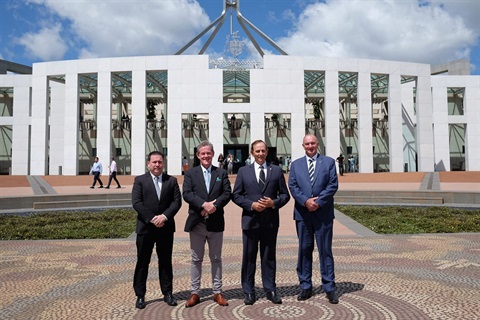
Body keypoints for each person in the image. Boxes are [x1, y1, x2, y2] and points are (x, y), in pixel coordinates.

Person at [232, 140, 290, 305]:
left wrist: (274, 203)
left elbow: (285, 195)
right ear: (252, 152)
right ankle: (248, 291)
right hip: (250, 221)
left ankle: (270, 289)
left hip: (270, 222)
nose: (260, 154)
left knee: (269, 257)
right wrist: (251, 205)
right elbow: (236, 195)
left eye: (263, 151)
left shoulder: (277, 171)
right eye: (257, 151)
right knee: (249, 257)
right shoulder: (243, 171)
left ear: (267, 152)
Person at [288, 134, 339, 304]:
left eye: (312, 143)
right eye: (307, 144)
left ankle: (329, 287)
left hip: (322, 213)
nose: (310, 146)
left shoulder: (329, 162)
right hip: (303, 214)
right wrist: (305, 201)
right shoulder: (295, 165)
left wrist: (318, 201)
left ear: (317, 144)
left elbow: (333, 185)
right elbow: (293, 186)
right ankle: (305, 286)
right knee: (304, 249)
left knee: (325, 250)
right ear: (303, 146)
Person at [182, 141, 232, 308]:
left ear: (213, 154)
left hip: (216, 222)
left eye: (208, 153)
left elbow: (227, 194)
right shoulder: (191, 174)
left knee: (216, 258)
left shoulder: (221, 172)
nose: (206, 156)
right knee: (196, 259)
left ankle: (217, 292)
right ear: (198, 155)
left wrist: (214, 206)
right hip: (197, 223)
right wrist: (204, 205)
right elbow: (187, 194)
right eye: (202, 153)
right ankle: (195, 292)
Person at [132, 151, 182, 309]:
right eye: (154, 162)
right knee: (142, 262)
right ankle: (140, 295)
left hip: (165, 228)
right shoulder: (140, 180)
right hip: (146, 228)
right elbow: (137, 202)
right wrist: (153, 218)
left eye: (160, 162)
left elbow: (176, 202)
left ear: (163, 163)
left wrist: (164, 217)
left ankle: (167, 293)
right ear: (148, 164)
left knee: (166, 261)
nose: (157, 165)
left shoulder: (171, 181)